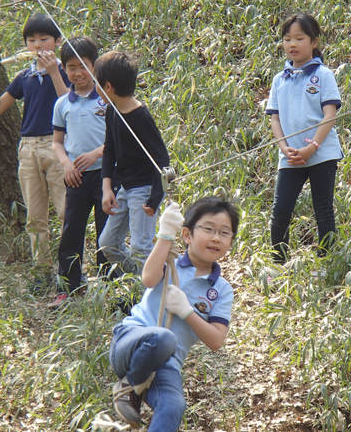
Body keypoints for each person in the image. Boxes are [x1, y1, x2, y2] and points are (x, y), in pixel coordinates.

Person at [108, 198, 240, 431]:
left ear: (230, 242)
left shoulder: (221, 289)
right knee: (164, 338)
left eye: (224, 233)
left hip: (167, 364)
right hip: (131, 342)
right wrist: (166, 234)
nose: (216, 238)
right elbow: (148, 278)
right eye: (208, 229)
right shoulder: (171, 262)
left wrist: (186, 311)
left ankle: (134, 388)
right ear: (187, 235)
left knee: (174, 404)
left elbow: (216, 340)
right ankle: (129, 385)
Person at [0, 13, 70, 282]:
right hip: (28, 149)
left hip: (57, 146)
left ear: (57, 41)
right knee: (35, 217)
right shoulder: (24, 76)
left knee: (65, 213)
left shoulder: (64, 71)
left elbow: (69, 103)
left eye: (44, 39)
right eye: (32, 40)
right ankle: (42, 272)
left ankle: (69, 272)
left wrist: (53, 72)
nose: (38, 45)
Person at [265, 13, 343, 264]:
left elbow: (329, 115)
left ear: (314, 42)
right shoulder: (279, 80)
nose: (292, 44)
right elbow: (275, 119)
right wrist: (284, 148)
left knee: (323, 211)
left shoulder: (323, 75)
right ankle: (278, 264)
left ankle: (326, 263)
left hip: (322, 154)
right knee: (280, 212)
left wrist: (312, 148)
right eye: (287, 39)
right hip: (289, 157)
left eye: (300, 38)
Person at [95, 50, 170, 276]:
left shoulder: (140, 117)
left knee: (140, 248)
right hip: (125, 189)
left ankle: (149, 295)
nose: (94, 88)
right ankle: (139, 283)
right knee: (108, 243)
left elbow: (162, 161)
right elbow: (109, 150)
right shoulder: (112, 110)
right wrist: (107, 187)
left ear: (108, 86)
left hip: (145, 190)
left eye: (95, 82)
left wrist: (154, 200)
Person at [48, 37, 109, 307]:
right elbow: (57, 143)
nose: (78, 73)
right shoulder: (63, 104)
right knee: (72, 231)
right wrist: (66, 163)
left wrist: (97, 153)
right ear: (63, 69)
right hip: (75, 178)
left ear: (94, 66)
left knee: (107, 233)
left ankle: (110, 286)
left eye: (83, 66)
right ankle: (68, 287)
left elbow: (118, 141)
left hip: (106, 176)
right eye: (71, 67)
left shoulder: (107, 100)